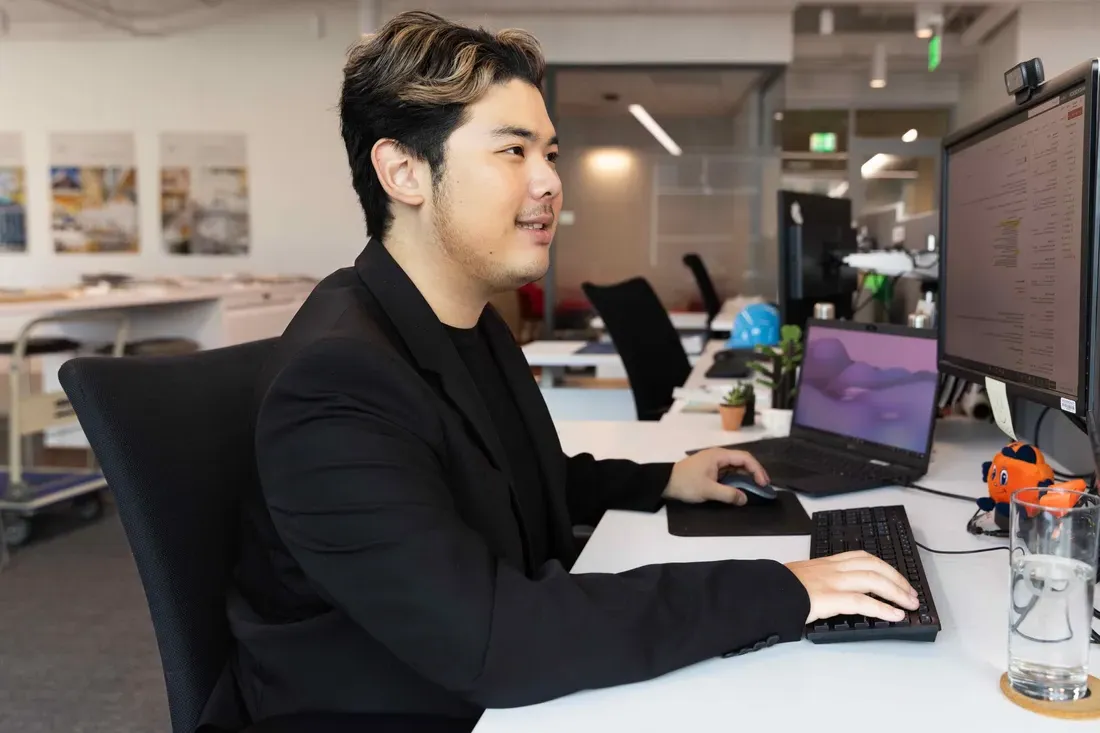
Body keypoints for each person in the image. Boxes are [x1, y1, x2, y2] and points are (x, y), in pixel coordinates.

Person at [200, 11, 919, 733]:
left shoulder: (465, 320)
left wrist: (666, 478)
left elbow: (514, 479)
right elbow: (497, 640)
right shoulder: (336, 382)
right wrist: (782, 589)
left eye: (549, 153)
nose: (549, 182)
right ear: (404, 171)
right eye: (513, 152)